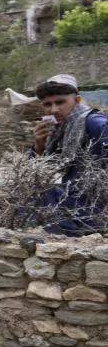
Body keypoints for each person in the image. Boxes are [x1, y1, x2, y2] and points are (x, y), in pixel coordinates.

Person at [30, 74, 108, 235]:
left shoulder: (94, 123)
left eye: (60, 102)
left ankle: (66, 238)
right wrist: (39, 146)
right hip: (75, 198)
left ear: (77, 100)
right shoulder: (60, 129)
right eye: (47, 104)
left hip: (96, 203)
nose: (53, 110)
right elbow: (39, 171)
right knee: (36, 190)